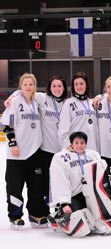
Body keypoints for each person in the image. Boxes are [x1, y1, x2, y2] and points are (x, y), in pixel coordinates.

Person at [4, 75, 69, 212]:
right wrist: (12, 97)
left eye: (60, 86)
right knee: (42, 184)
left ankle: (60, 210)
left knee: (60, 183)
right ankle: (40, 212)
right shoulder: (42, 98)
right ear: (49, 88)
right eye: (54, 86)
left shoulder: (69, 103)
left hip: (63, 151)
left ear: (64, 88)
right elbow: (23, 91)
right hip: (45, 150)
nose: (57, 89)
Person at [49, 131, 111, 237]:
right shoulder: (61, 157)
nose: (79, 145)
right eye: (76, 143)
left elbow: (102, 174)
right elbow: (59, 180)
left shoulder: (93, 155)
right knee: (80, 223)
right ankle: (57, 215)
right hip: (75, 196)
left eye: (82, 143)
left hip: (92, 193)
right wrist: (64, 203)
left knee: (96, 215)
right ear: (71, 143)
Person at [0, 73, 49, 230]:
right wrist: (13, 143)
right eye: (25, 84)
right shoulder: (15, 102)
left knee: (36, 186)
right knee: (15, 186)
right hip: (17, 154)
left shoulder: (38, 100)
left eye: (31, 84)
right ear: (21, 87)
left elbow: (55, 94)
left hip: (35, 151)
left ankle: (36, 215)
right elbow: (6, 124)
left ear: (34, 85)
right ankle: (15, 216)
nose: (29, 87)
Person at [58, 71, 100, 152]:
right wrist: (69, 147)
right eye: (76, 84)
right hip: (76, 150)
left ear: (86, 85)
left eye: (81, 84)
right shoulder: (69, 103)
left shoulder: (92, 102)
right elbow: (63, 129)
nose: (79, 87)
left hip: (92, 150)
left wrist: (100, 96)